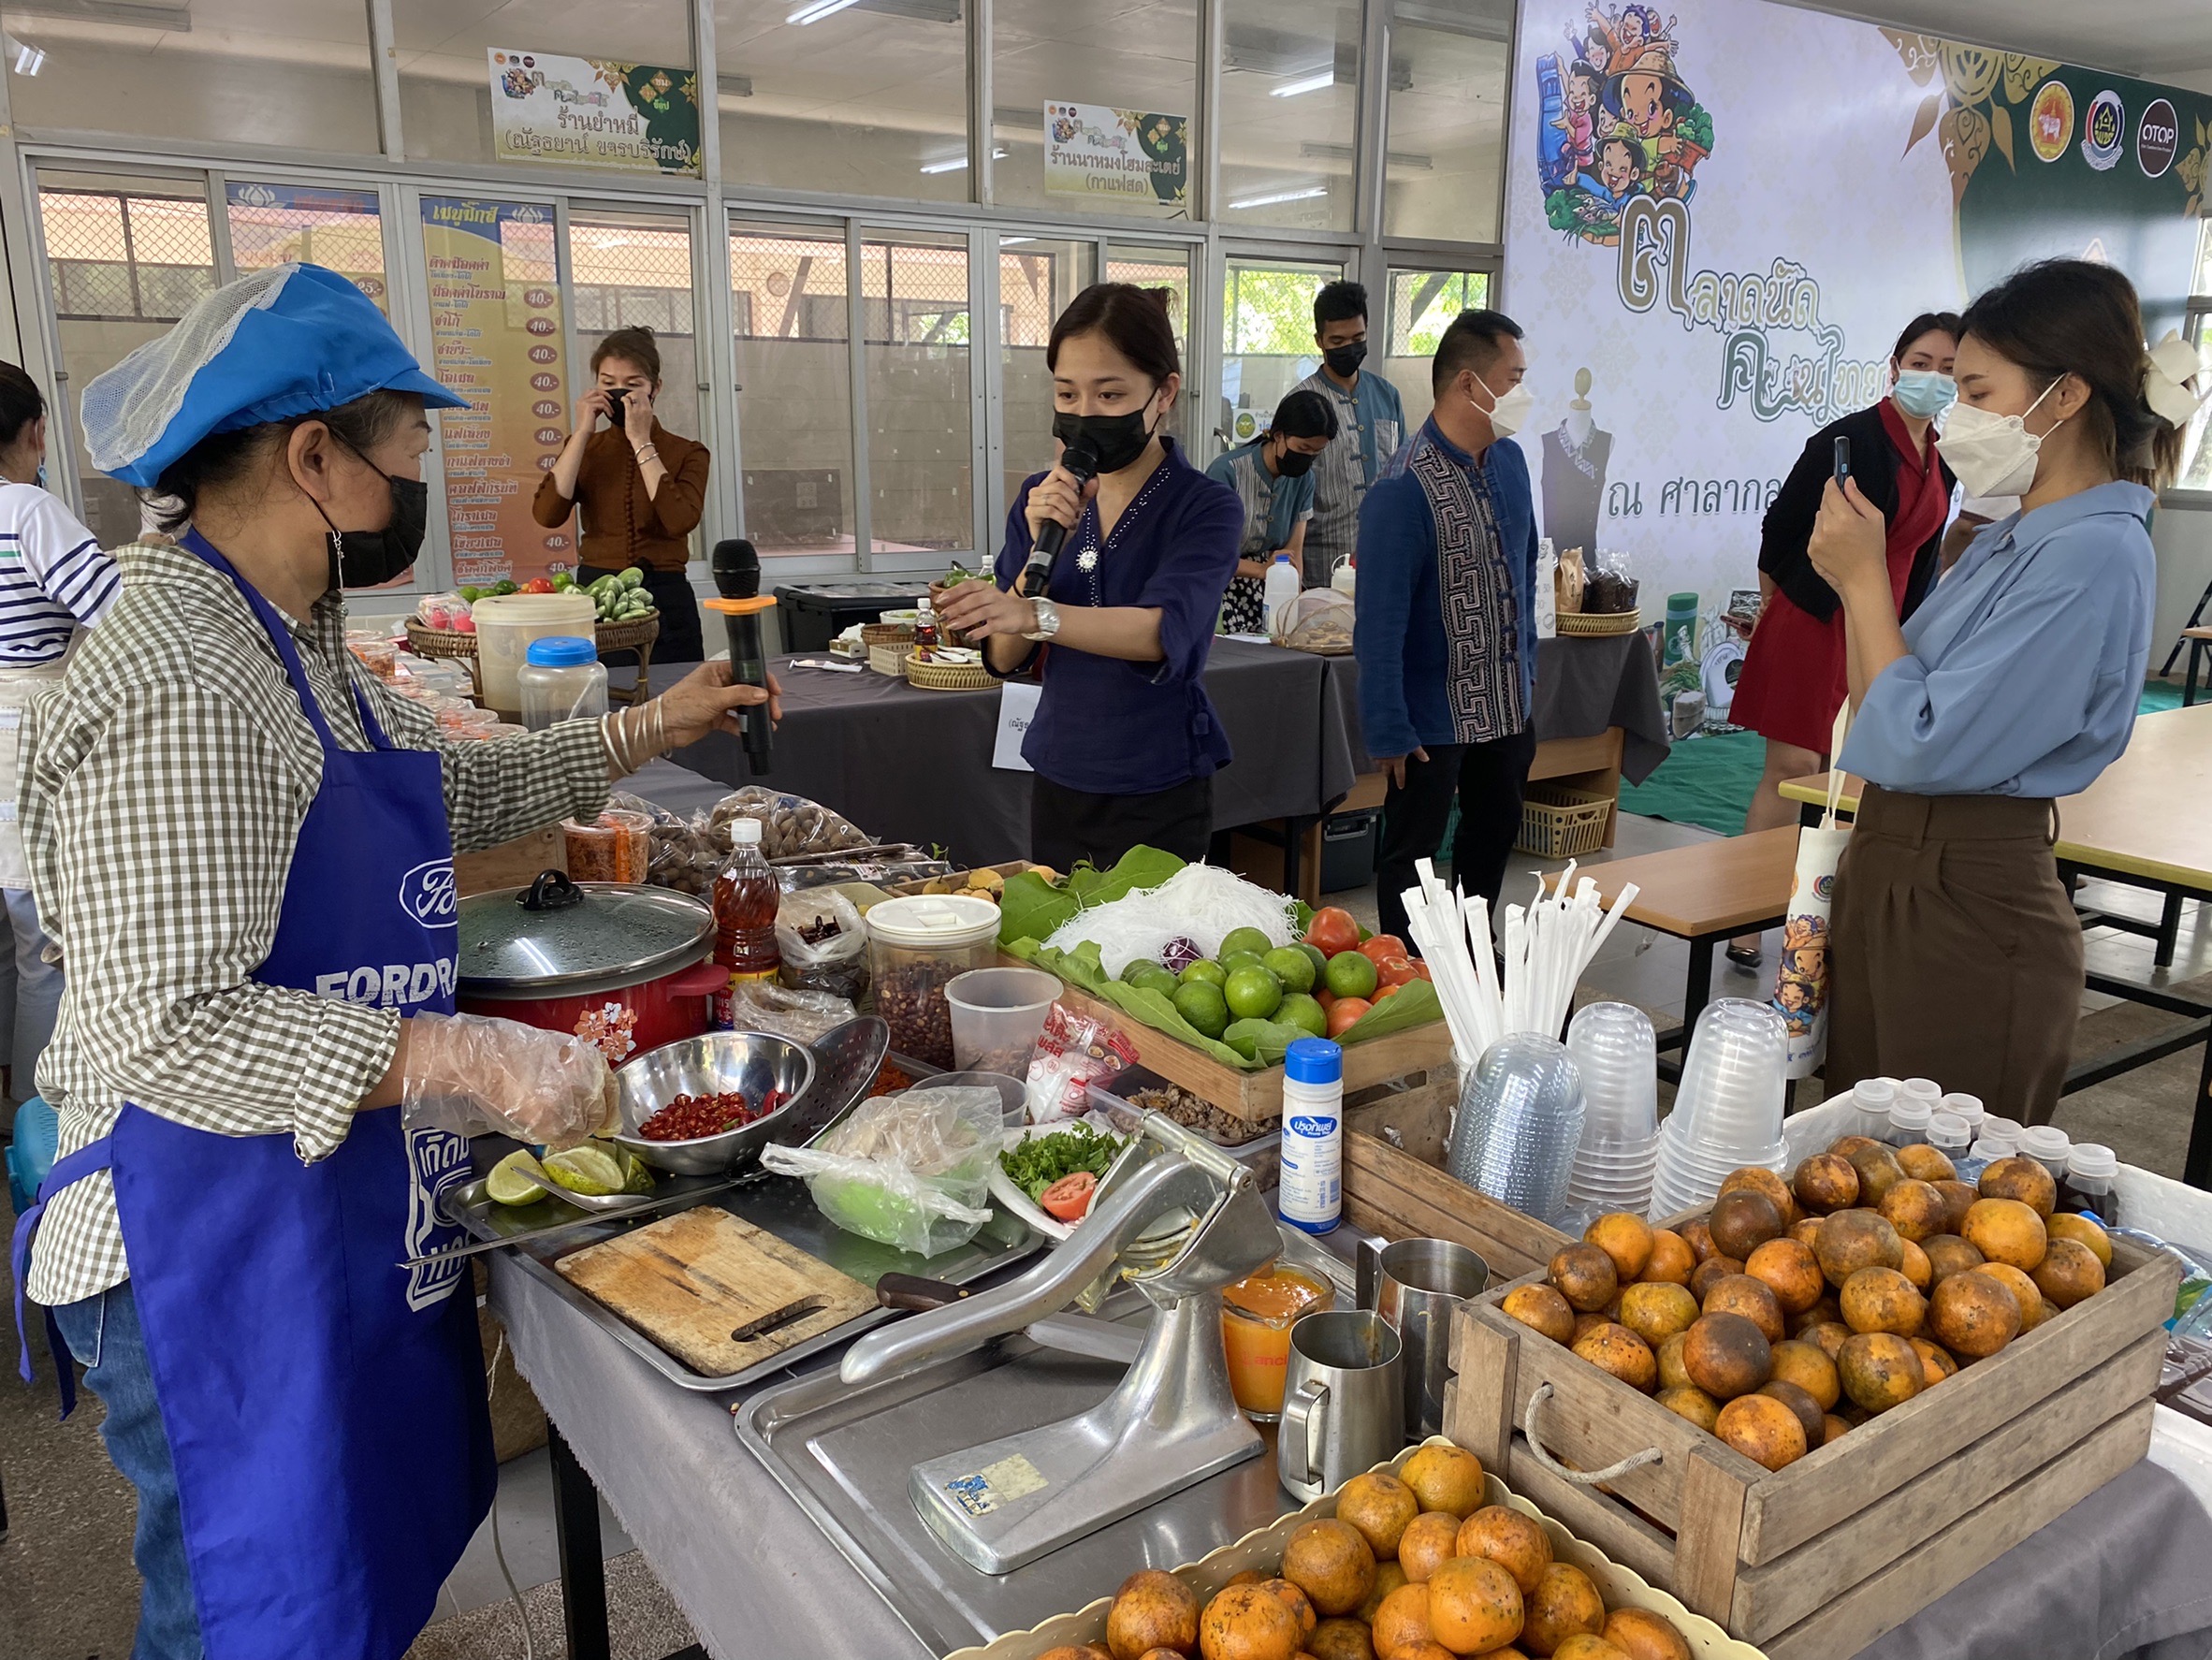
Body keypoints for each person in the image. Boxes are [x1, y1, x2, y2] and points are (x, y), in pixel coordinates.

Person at [10, 263, 774, 1660]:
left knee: (341, 1577)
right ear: (316, 457)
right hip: (192, 1243)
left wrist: (647, 727)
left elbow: (449, 799)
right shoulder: (183, 676)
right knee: (244, 1605)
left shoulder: (284, 632)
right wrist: (461, 1052)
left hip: (303, 1198)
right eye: (409, 444)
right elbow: (167, 1029)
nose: (421, 471)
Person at [1812, 259, 2194, 1119]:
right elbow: (1877, 708)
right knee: (1851, 1174)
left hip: (1968, 901)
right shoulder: (2011, 536)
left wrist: (1867, 583)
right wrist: (1861, 591)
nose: (1958, 419)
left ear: (2064, 397)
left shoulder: (2091, 555)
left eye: (1979, 393)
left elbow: (1916, 740)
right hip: (1899, 868)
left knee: (1940, 1195)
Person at [938, 284, 1242, 871]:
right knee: (1060, 952)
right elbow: (1005, 655)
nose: (1084, 414)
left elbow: (1160, 632)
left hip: (1157, 780)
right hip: (1059, 769)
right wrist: (1029, 570)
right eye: (1067, 394)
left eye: (1109, 394)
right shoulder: (1040, 497)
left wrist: (1034, 614)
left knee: (1152, 956)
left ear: (1164, 394)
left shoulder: (1204, 507)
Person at [1724, 312, 1962, 968]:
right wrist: (1780, 606)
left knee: (1850, 779)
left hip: (1878, 631)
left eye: (1948, 369)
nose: (1932, 378)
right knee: (1792, 773)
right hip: (1816, 622)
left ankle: (1819, 915)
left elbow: (1922, 560)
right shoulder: (1848, 439)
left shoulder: (1942, 457)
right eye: (1920, 362)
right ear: (1894, 366)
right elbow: (1780, 530)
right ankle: (1745, 922)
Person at [1357, 309, 1540, 944]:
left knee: (1492, 834)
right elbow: (1378, 622)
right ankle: (1401, 970)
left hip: (1507, 704)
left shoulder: (1511, 463)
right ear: (1468, 384)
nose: (1522, 392)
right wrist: (1387, 727)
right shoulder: (1400, 488)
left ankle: (1471, 945)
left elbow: (1527, 570)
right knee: (1411, 853)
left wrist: (1528, 675)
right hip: (1431, 716)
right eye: (1513, 378)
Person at [0, 363, 121, 1113]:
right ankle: (39, 1123)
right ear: (36, 430)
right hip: (19, 738)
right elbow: (117, 617)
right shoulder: (26, 511)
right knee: (43, 943)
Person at [534, 326, 710, 662]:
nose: (619, 393)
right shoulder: (588, 449)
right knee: (607, 697)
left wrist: (642, 441)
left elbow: (680, 520)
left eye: (633, 385)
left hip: (666, 596)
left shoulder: (688, 452)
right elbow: (547, 515)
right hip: (598, 593)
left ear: (655, 388)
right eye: (607, 383)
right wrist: (582, 433)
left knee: (676, 696)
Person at [1296, 281, 1407, 588]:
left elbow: (1403, 473)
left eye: (1358, 338)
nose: (1349, 348)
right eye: (1337, 341)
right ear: (1319, 341)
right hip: (1322, 568)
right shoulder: (1302, 402)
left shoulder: (1388, 396)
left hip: (1385, 559)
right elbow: (1291, 494)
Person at [1206, 388, 1337, 634]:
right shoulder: (1228, 471)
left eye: (1316, 453)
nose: (1308, 458)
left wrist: (1296, 609)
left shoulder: (1304, 479)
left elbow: (1294, 551)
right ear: (1278, 435)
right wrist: (1262, 570)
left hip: (1272, 587)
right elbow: (1210, 553)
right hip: (1219, 585)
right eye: (1304, 447)